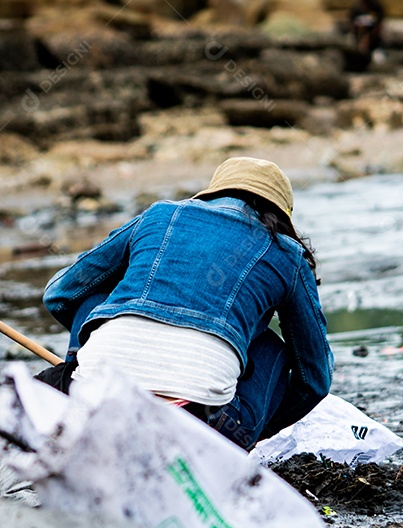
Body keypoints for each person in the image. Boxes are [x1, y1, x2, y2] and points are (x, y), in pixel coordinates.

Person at [39, 157, 334, 451]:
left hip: (94, 396)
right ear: (281, 214)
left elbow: (60, 293)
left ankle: (70, 401)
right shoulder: (288, 253)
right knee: (273, 347)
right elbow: (314, 380)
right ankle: (225, 453)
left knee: (96, 300)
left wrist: (82, 358)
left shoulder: (160, 214)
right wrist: (257, 430)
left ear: (213, 194)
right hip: (206, 426)